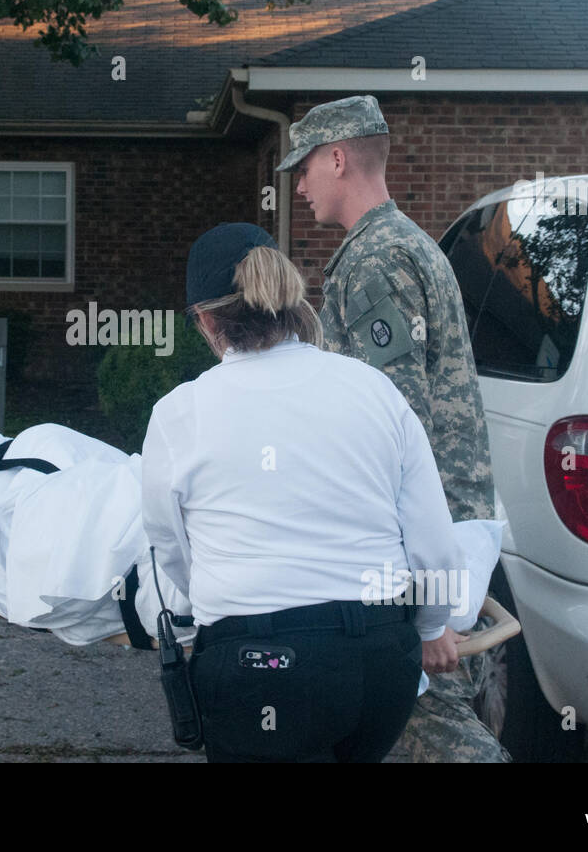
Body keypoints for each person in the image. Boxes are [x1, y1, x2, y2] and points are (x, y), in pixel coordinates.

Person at [141, 223, 466, 762]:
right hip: (380, 663)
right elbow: (432, 537)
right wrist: (433, 626)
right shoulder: (372, 389)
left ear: (204, 319)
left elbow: (171, 550)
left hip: (258, 665)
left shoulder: (180, 413)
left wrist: (190, 614)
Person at [276, 94, 509, 762]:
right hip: (436, 529)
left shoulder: (375, 260)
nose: (298, 185)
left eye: (305, 167)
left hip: (420, 539)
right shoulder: (403, 244)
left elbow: (394, 428)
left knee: (433, 730)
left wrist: (424, 599)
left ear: (338, 158)